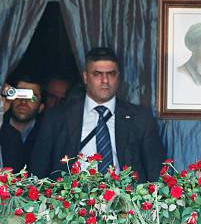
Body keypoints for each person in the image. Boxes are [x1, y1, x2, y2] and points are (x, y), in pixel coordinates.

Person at [30, 47, 165, 182]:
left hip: (125, 199)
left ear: (118, 76)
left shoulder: (140, 118)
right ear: (85, 77)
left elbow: (155, 172)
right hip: (71, 199)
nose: (105, 80)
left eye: (111, 74)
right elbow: (38, 171)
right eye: (97, 74)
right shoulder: (57, 118)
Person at [0, 75, 45, 171]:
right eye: (19, 94)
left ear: (41, 107)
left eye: (32, 97)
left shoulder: (46, 135)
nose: (24, 101)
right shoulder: (2, 125)